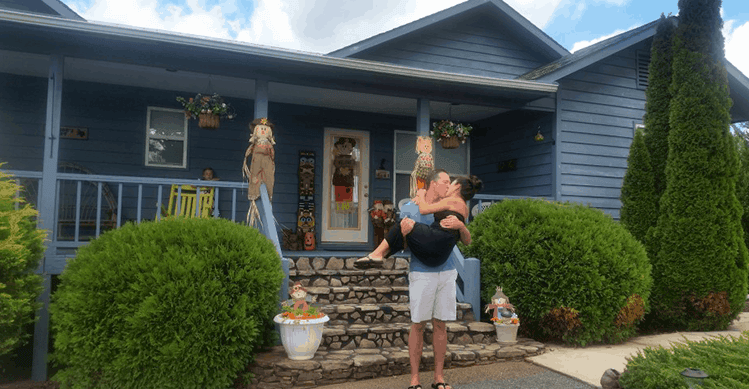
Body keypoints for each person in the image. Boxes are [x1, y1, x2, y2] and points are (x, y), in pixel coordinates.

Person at [356, 169, 483, 389]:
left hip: (446, 271)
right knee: (418, 324)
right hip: (421, 271)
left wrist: (461, 225)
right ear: (434, 184)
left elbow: (467, 240)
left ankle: (439, 378)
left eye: (450, 182)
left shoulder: (452, 204)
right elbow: (404, 243)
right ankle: (414, 380)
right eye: (444, 182)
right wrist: (407, 232)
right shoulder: (411, 207)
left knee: (440, 325)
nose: (447, 185)